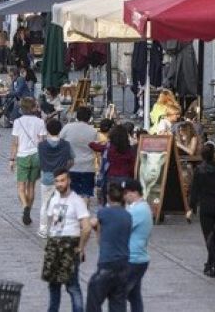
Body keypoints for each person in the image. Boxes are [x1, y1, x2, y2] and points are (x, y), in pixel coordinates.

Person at [41, 168, 91, 312]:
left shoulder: (77, 201)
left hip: (70, 243)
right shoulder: (54, 198)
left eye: (62, 180)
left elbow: (86, 227)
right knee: (53, 285)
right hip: (54, 243)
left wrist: (81, 247)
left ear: (69, 181)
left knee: (72, 286)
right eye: (57, 181)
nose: (59, 184)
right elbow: (52, 219)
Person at [85, 183, 132, 312]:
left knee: (93, 300)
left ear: (108, 197)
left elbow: (91, 225)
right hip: (123, 264)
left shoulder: (103, 213)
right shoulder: (128, 216)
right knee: (118, 303)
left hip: (107, 263)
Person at [188, 143, 215, 277]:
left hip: (205, 207)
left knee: (209, 237)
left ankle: (214, 263)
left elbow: (194, 191)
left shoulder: (199, 171)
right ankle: (210, 264)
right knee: (213, 236)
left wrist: (191, 208)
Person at [10, 97, 46, 225]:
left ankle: (25, 206)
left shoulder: (17, 122)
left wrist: (11, 159)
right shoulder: (40, 122)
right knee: (31, 186)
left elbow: (15, 143)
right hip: (36, 155)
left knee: (21, 186)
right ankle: (29, 211)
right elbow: (42, 142)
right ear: (33, 108)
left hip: (22, 155)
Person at [38, 118, 75, 237]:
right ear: (60, 130)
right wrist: (65, 169)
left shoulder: (42, 145)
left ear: (47, 130)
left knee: (45, 204)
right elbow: (71, 160)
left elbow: (39, 161)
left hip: (47, 177)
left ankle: (43, 229)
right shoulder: (65, 144)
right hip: (61, 178)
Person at [122, 179, 153, 310]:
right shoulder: (136, 207)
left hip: (134, 258)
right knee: (134, 295)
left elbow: (121, 225)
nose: (123, 196)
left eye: (125, 193)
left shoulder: (139, 210)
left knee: (120, 295)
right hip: (136, 258)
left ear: (134, 193)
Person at [60, 106, 99, 205]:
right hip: (88, 167)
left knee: (70, 194)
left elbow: (60, 141)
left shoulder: (68, 127)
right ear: (89, 118)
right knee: (86, 194)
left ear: (76, 116)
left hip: (71, 166)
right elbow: (96, 147)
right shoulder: (93, 131)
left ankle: (72, 215)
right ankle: (83, 215)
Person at [90, 125, 136, 201]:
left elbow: (95, 146)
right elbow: (132, 165)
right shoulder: (129, 150)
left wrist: (93, 142)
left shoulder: (109, 147)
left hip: (111, 177)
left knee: (111, 199)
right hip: (125, 177)